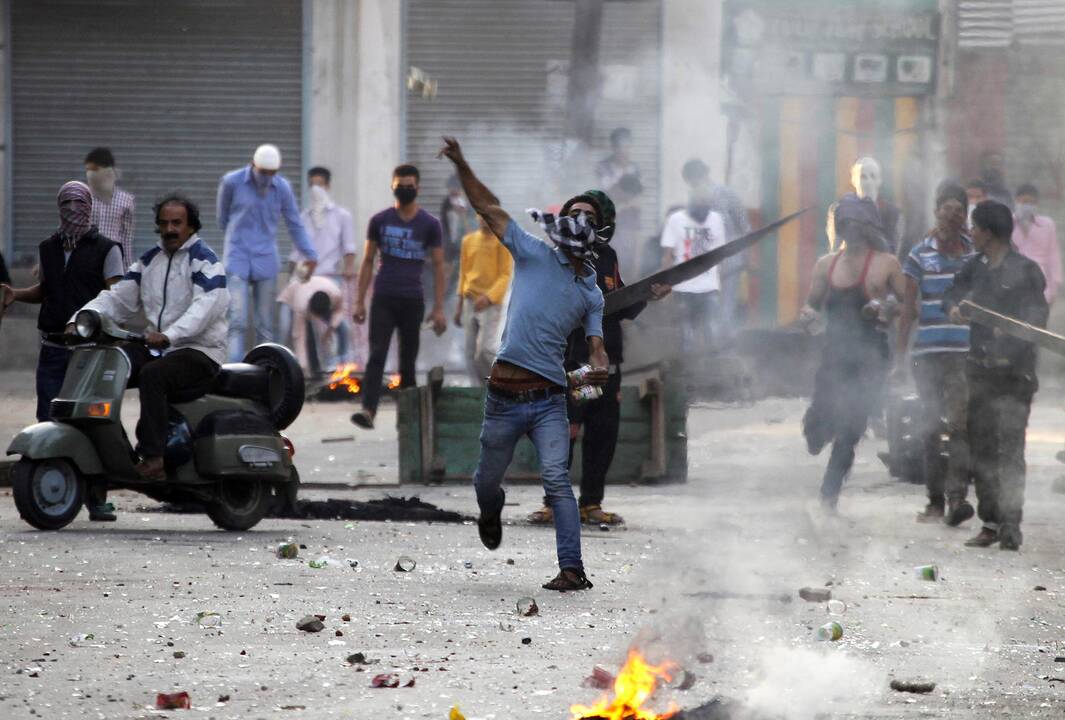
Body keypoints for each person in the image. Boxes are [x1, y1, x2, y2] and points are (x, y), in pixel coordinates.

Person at [441, 135, 608, 592]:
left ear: (585, 249)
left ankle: (572, 569)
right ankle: (491, 508)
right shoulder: (534, 254)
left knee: (557, 479)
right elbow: (490, 208)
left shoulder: (590, 293)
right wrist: (461, 162)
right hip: (503, 398)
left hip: (550, 400)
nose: (567, 252)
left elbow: (597, 348)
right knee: (486, 481)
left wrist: (599, 365)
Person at [527, 190, 670, 528]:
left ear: (602, 223)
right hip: (572, 367)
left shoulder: (608, 257)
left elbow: (620, 304)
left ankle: (591, 504)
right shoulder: (555, 258)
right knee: (566, 432)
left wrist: (648, 297)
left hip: (606, 369)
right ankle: (554, 503)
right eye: (575, 212)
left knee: (602, 434)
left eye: (589, 215)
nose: (581, 219)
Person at [73, 195, 229, 484]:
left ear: (191, 226)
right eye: (164, 223)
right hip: (159, 348)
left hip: (200, 351)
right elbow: (118, 298)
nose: (170, 229)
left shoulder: (205, 261)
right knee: (109, 364)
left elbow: (205, 308)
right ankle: (109, 449)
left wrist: (170, 335)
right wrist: (82, 317)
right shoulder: (148, 261)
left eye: (177, 223)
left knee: (153, 376)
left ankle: (154, 458)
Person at [1, 183, 124, 520]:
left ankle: (96, 499)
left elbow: (117, 297)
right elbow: (49, 289)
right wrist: (17, 294)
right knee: (49, 421)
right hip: (53, 349)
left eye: (79, 202)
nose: (73, 209)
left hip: (90, 353)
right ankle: (51, 493)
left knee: (90, 423)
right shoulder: (49, 248)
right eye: (66, 203)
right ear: (58, 207)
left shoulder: (106, 249)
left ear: (90, 207)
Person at [944, 200, 1048, 551]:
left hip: (1015, 375)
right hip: (980, 372)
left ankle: (1011, 524)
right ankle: (989, 523)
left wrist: (1013, 334)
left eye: (974, 228)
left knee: (1011, 450)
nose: (970, 233)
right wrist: (955, 309)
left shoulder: (1027, 271)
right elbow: (952, 294)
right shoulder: (975, 268)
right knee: (983, 449)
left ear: (989, 232)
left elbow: (1038, 320)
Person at [801, 195, 906, 511]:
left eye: (857, 224)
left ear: (870, 227)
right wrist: (807, 314)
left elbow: (907, 303)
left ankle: (828, 494)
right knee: (818, 427)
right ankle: (818, 430)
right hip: (835, 354)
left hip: (871, 357)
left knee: (851, 427)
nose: (851, 231)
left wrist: (885, 307)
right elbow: (812, 304)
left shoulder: (887, 264)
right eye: (845, 224)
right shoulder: (826, 265)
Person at [897, 183, 975, 525]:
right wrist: (900, 356)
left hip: (963, 354)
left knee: (960, 427)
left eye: (958, 211)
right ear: (936, 212)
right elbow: (907, 308)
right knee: (930, 427)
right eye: (946, 209)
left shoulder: (975, 255)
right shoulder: (918, 254)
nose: (951, 216)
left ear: (965, 217)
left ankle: (957, 499)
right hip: (927, 353)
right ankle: (934, 501)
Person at [350, 164, 447, 429]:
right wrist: (359, 301)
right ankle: (368, 410)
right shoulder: (380, 221)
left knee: (408, 360)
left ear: (418, 188)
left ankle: (408, 419)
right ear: (392, 186)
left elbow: (439, 266)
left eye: (409, 185)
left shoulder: (430, 225)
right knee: (377, 355)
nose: (404, 189)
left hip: (412, 300)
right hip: (383, 297)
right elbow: (368, 261)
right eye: (400, 184)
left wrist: (439, 308)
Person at [217, 143, 318, 362]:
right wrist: (238, 240)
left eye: (272, 173)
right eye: (263, 172)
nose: (267, 177)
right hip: (237, 257)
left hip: (266, 259)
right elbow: (222, 218)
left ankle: (262, 372)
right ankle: (233, 373)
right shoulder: (231, 182)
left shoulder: (282, 188)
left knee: (265, 324)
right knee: (237, 321)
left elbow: (294, 224)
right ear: (253, 165)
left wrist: (310, 255)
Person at [284, 166, 357, 365]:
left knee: (338, 322)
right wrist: (291, 281)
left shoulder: (342, 216)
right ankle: (307, 365)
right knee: (295, 321)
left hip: (329, 276)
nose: (316, 189)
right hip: (305, 277)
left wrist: (349, 268)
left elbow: (349, 247)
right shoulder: (303, 217)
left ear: (328, 186)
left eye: (320, 185)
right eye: (313, 185)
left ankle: (341, 362)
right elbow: (296, 252)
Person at [681, 159, 752, 343]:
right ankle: (710, 346)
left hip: (730, 259)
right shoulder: (693, 199)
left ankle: (724, 345)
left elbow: (744, 228)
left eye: (696, 180)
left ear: (704, 175)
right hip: (705, 261)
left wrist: (746, 255)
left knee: (726, 304)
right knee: (708, 305)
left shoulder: (727, 195)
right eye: (691, 183)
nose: (694, 185)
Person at [660, 164, 727, 355]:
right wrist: (667, 286)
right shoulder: (676, 220)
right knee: (685, 333)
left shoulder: (716, 220)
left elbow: (720, 255)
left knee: (711, 330)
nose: (703, 209)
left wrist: (719, 284)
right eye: (699, 204)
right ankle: (686, 371)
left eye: (706, 204)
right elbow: (667, 257)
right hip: (683, 287)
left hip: (709, 287)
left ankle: (714, 371)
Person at [454, 215, 513, 385]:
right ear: (477, 216)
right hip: (469, 301)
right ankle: (479, 389)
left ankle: (499, 383)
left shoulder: (502, 242)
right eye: (481, 214)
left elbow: (505, 275)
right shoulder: (468, 240)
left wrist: (488, 297)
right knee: (469, 352)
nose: (485, 219)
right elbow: (463, 274)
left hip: (490, 303)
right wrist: (459, 306)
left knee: (485, 350)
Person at [596, 128, 643, 278]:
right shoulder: (604, 167)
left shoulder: (635, 168)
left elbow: (637, 194)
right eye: (621, 147)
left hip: (630, 218)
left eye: (628, 147)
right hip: (611, 217)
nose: (624, 152)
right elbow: (605, 193)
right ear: (614, 147)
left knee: (630, 257)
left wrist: (631, 204)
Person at [278, 271, 345, 375]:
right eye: (316, 316)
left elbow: (339, 311)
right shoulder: (300, 305)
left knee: (343, 328)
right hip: (290, 298)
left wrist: (330, 330)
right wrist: (302, 365)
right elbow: (298, 336)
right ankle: (279, 362)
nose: (317, 318)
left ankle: (337, 363)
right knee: (285, 330)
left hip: (316, 290)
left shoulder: (336, 294)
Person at [84, 147, 136, 268]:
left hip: (112, 260)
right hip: (86, 259)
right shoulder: (83, 197)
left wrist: (128, 270)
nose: (90, 174)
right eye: (88, 170)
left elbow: (126, 238)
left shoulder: (126, 201)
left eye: (95, 169)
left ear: (107, 170)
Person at [1011, 183, 1061, 305]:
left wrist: (1054, 288)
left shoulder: (1047, 225)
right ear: (1016, 201)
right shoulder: (1008, 223)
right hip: (1013, 285)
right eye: (1024, 202)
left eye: (1032, 203)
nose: (1028, 206)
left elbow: (1053, 256)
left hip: (1041, 286)